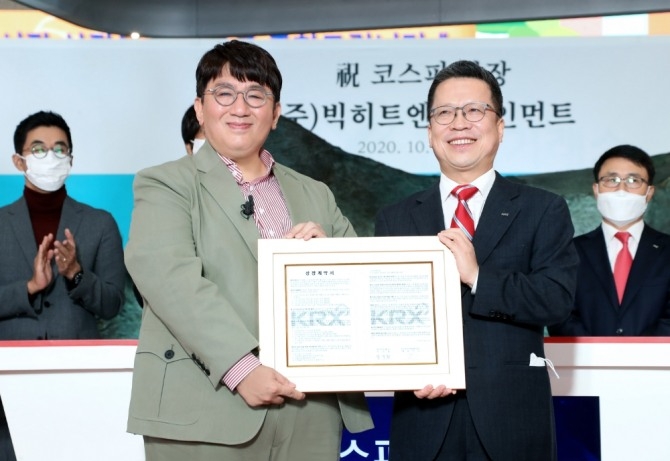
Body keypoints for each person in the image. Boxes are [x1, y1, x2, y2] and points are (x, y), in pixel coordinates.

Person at [125, 39, 372, 461]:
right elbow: (170, 279)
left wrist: (329, 259)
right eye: (224, 93)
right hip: (207, 410)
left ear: (275, 114)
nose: (240, 108)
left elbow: (363, 285)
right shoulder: (165, 183)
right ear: (200, 108)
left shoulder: (316, 193)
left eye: (256, 95)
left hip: (310, 409)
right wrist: (242, 369)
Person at [375, 60, 578, 461]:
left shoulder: (543, 209)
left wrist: (479, 277)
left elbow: (556, 300)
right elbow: (381, 315)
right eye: (445, 113)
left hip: (512, 419)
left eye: (474, 111)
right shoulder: (395, 217)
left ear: (499, 127)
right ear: (430, 132)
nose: (458, 123)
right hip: (422, 416)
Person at [0, 110, 126, 460]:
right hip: (8, 382)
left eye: (60, 149)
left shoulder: (100, 223)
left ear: (71, 159)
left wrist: (77, 275)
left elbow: (113, 303)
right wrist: (29, 287)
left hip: (79, 379)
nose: (50, 157)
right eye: (39, 149)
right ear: (19, 160)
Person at [549, 145, 670, 336]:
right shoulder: (569, 252)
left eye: (633, 180)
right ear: (596, 190)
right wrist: (596, 350)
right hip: (584, 354)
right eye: (611, 180)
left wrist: (642, 350)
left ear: (649, 192)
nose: (621, 189)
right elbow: (560, 314)